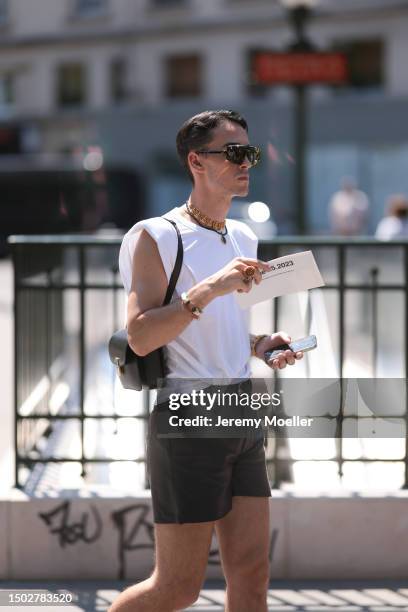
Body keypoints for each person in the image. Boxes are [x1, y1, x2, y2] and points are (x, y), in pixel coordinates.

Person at [109, 109, 303, 612]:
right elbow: (143, 336)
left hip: (241, 407)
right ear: (196, 160)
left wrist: (261, 343)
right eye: (234, 153)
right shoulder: (155, 235)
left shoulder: (242, 237)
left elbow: (227, 328)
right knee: (177, 588)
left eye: (250, 153)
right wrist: (207, 290)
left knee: (252, 573)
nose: (246, 164)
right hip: (188, 415)